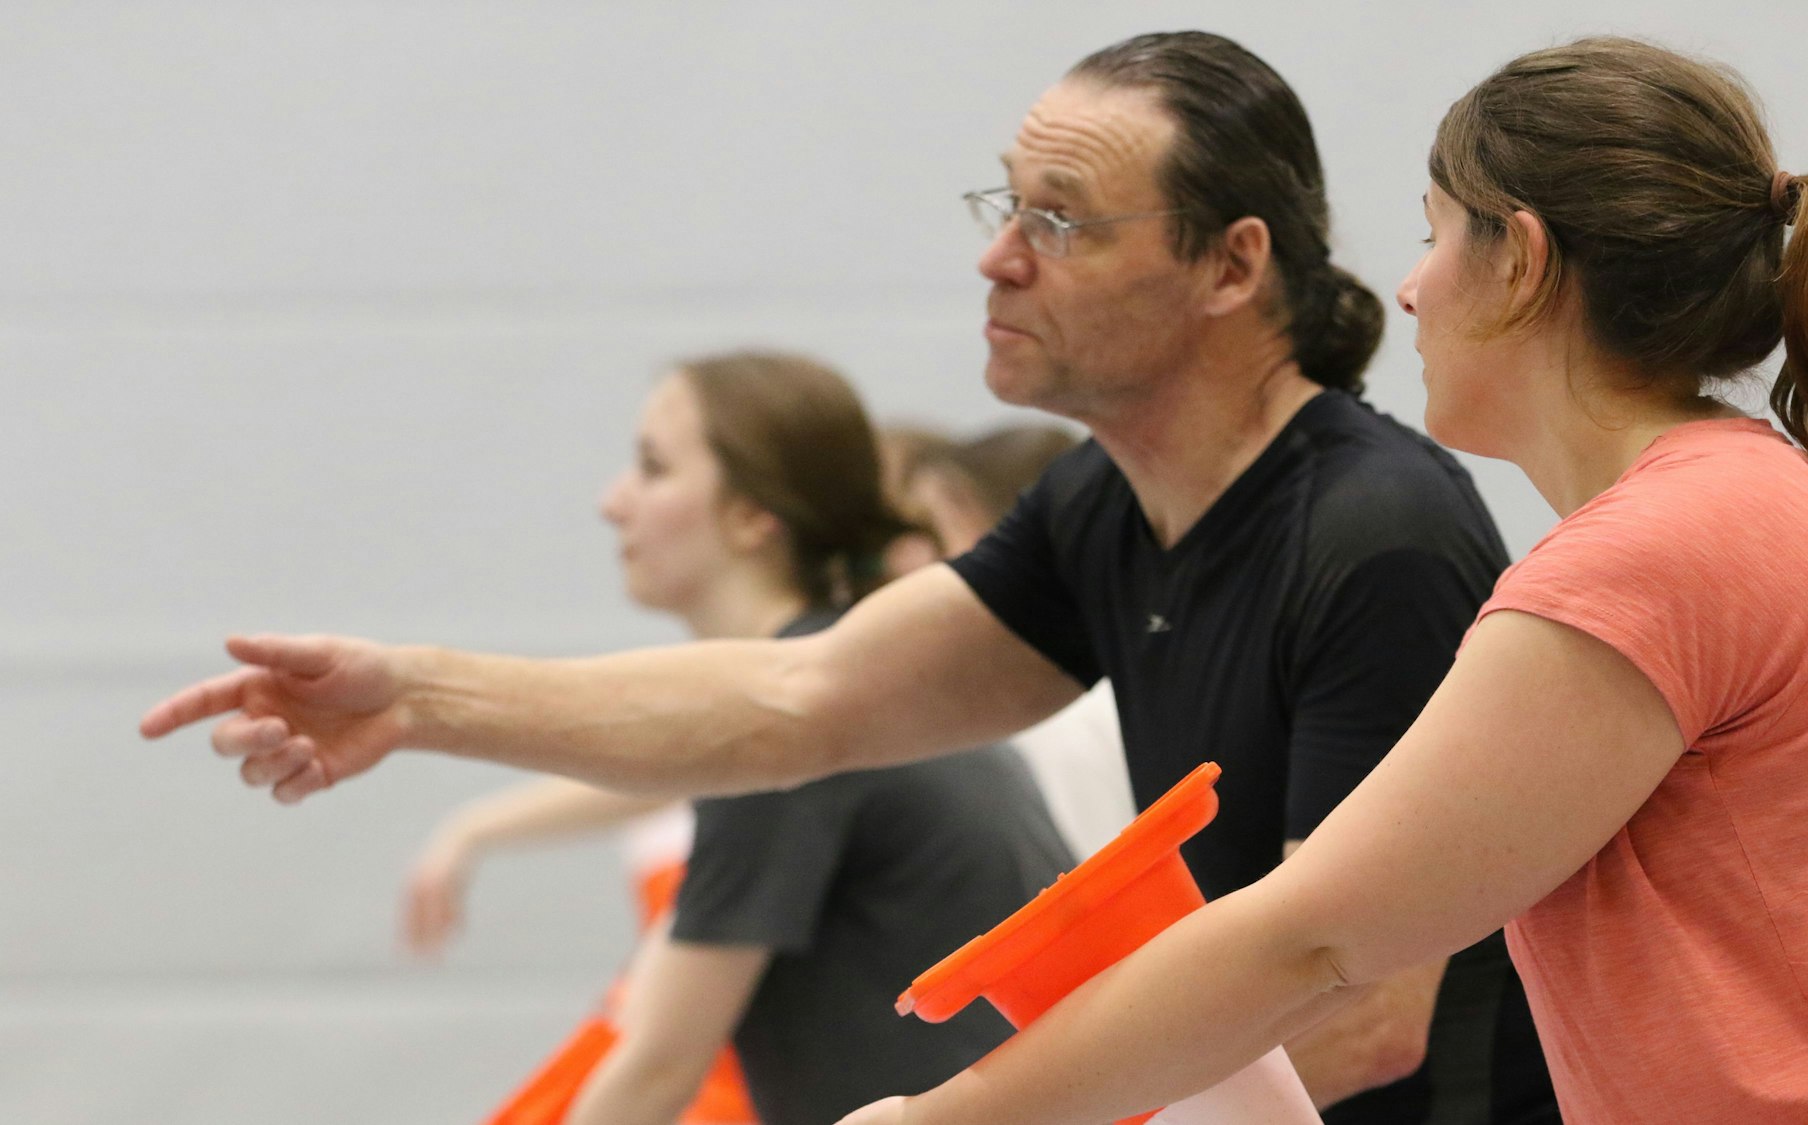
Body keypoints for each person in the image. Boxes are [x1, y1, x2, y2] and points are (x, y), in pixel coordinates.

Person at [139, 32, 1560, 1122]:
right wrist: (415, 697)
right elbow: (798, 700)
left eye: (1061, 221)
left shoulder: (1374, 535)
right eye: (1004, 208)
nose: (999, 259)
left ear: (1231, 264)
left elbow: (1365, 1001)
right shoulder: (1104, 507)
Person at [804, 36, 1808, 1125]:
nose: (1410, 289)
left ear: (1519, 258)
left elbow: (1312, 939)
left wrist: (936, 1119)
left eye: (1432, 233)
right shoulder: (1716, 506)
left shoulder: (1659, 549)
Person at [410, 349, 1073, 1125]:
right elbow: (654, 748)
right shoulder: (857, 692)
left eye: (653, 468)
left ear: (753, 518)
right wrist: (477, 825)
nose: (612, 501)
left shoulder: (792, 742)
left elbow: (657, 1070)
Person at [904, 424, 1136, 858]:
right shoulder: (1108, 678)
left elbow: (1093, 884)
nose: (909, 562)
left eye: (932, 532)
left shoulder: (1050, 716)